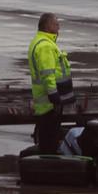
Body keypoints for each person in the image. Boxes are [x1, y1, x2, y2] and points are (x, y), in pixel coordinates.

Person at [27, 13, 74, 154]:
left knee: (47, 140)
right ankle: (47, 167)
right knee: (49, 142)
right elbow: (48, 75)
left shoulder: (41, 42)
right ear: (48, 26)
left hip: (45, 103)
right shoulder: (45, 46)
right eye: (56, 24)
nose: (59, 26)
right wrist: (54, 96)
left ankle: (45, 163)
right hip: (49, 104)